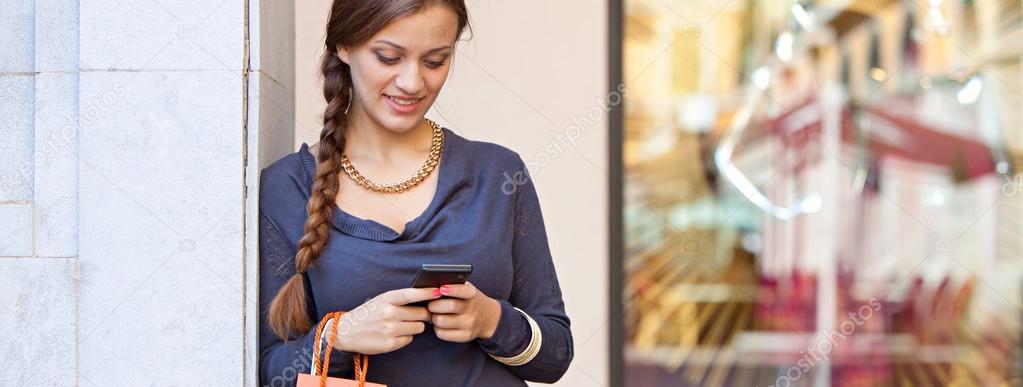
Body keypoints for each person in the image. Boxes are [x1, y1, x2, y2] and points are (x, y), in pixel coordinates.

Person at [257, 1, 573, 386]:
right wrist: (339, 338)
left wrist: (492, 319)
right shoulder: (286, 187)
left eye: (435, 61)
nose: (412, 83)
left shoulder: (498, 173)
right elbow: (267, 370)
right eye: (388, 58)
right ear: (342, 46)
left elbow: (555, 356)